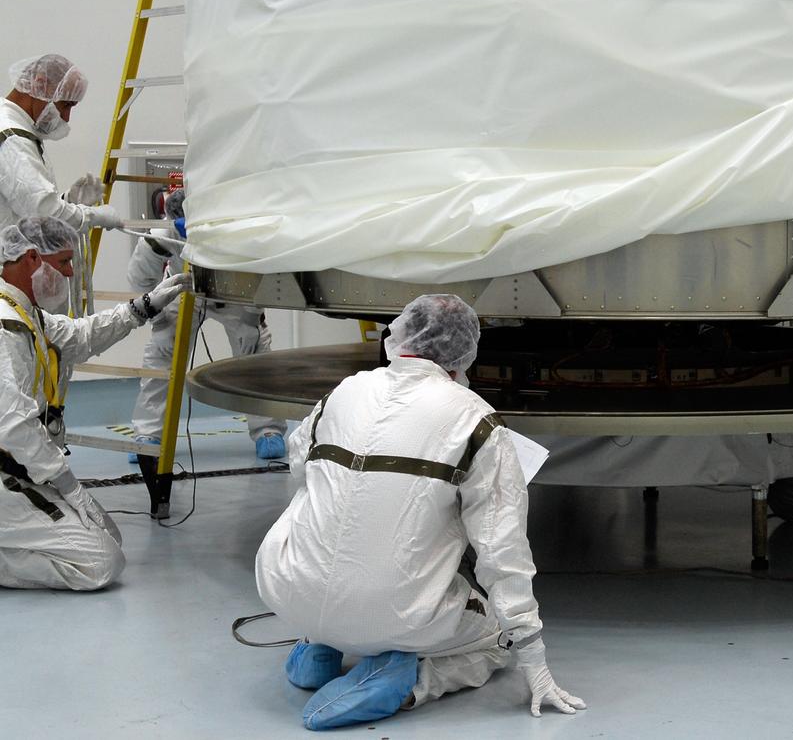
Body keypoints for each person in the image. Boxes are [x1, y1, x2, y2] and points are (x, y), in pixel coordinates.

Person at [256, 294, 585, 730]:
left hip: (286, 590)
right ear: (465, 354)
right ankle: (409, 682)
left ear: (400, 336)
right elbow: (502, 552)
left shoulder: (344, 391)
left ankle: (319, 647)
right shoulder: (478, 422)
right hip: (390, 612)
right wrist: (533, 656)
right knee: (495, 641)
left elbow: (301, 467)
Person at [0, 216, 189, 590]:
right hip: (8, 474)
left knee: (109, 537)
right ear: (32, 258)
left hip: (23, 470)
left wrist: (144, 307)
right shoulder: (5, 328)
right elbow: (12, 422)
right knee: (100, 563)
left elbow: (80, 336)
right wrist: (67, 484)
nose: (70, 274)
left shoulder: (24, 314)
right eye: (65, 262)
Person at [126, 188, 286, 461]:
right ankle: (149, 434)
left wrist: (250, 318)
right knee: (160, 356)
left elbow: (263, 273)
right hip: (184, 291)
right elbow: (140, 280)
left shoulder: (238, 232)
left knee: (255, 353)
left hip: (234, 294)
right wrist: (161, 321)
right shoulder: (161, 237)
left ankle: (268, 430)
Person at [1, 55, 123, 233]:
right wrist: (91, 216)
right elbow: (41, 212)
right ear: (39, 84)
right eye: (66, 105)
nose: (66, 117)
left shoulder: (16, 129)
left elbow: (23, 205)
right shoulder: (12, 137)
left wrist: (67, 201)